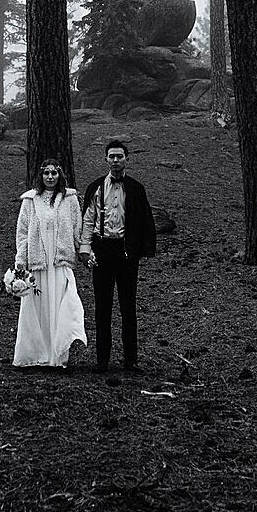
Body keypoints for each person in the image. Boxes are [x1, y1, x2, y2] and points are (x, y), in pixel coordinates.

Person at [80, 139, 157, 373]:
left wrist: (140, 250)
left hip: (126, 254)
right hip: (102, 251)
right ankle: (102, 360)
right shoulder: (95, 187)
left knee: (128, 307)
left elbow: (144, 220)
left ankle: (130, 360)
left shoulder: (135, 188)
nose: (115, 160)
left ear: (127, 159)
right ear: (105, 160)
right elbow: (88, 219)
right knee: (102, 308)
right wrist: (85, 248)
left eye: (119, 156)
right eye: (111, 156)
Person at [11, 160, 88, 368]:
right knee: (38, 305)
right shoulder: (30, 200)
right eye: (46, 173)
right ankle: (37, 353)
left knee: (61, 302)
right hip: (38, 260)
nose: (50, 177)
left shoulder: (70, 199)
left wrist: (83, 251)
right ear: (41, 176)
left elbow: (76, 228)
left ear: (60, 175)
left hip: (60, 259)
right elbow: (23, 232)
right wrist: (21, 260)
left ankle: (58, 354)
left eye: (54, 173)